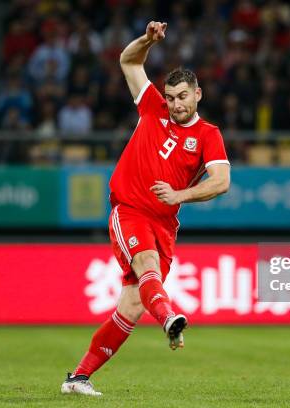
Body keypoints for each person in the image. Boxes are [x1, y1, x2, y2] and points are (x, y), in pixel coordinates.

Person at [61, 21, 231, 396]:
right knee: (147, 267)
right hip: (129, 210)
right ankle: (169, 317)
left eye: (183, 96)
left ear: (198, 94)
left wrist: (179, 196)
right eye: (171, 97)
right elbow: (128, 62)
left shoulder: (208, 136)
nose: (175, 104)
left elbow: (221, 182)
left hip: (165, 223)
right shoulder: (152, 108)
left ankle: (77, 378)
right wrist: (147, 41)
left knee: (133, 305)